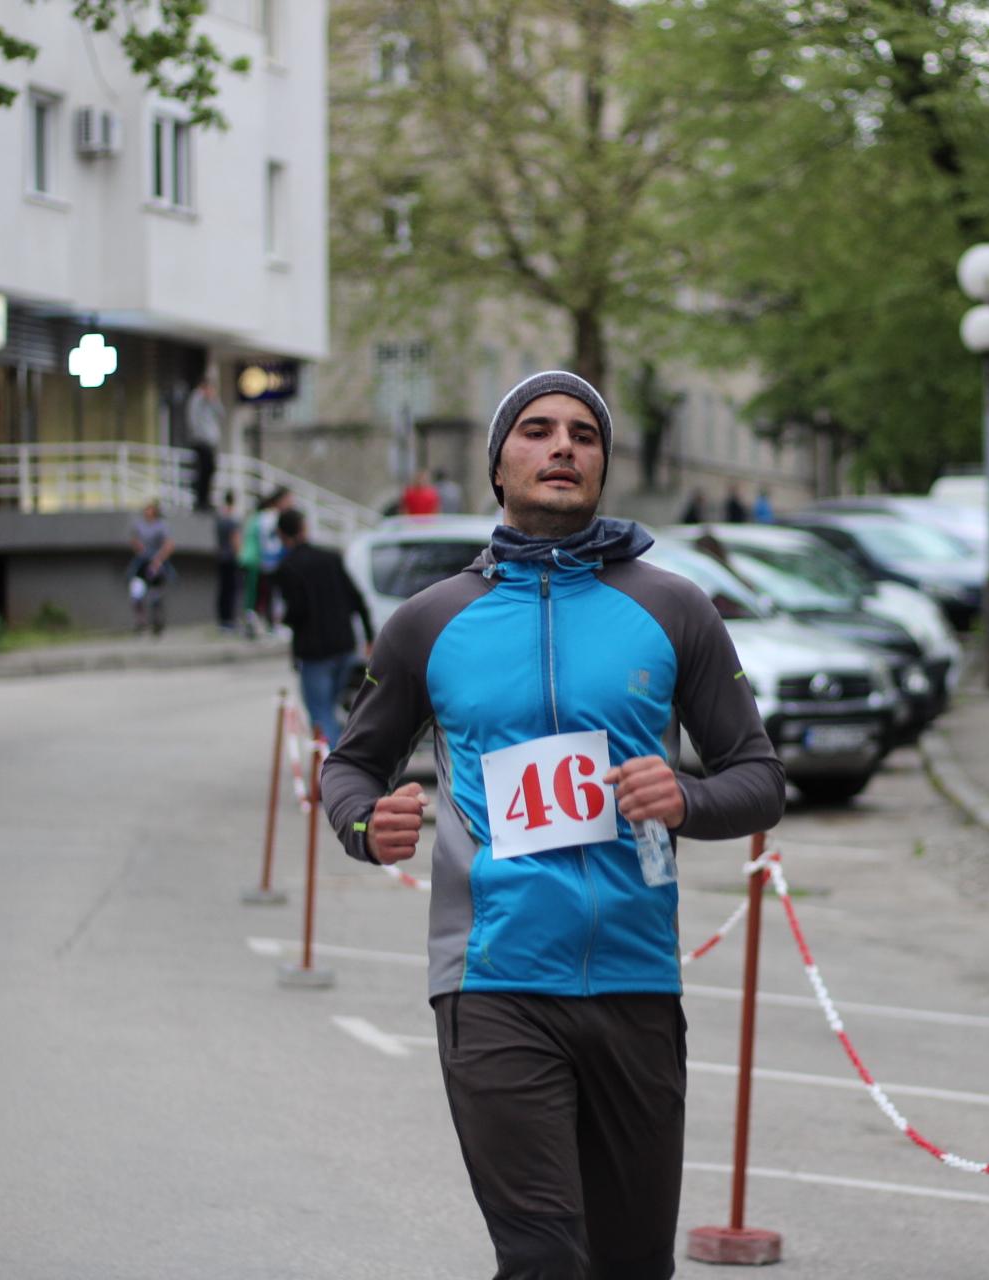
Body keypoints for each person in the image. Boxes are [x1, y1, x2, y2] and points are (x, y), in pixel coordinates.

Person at [322, 371, 784, 1278]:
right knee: (542, 1260)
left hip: (637, 983)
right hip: (493, 977)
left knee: (629, 1265)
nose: (562, 446)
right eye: (536, 431)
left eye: (583, 433)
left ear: (605, 464)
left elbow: (760, 779)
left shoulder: (674, 607)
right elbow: (350, 765)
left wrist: (684, 798)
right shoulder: (430, 621)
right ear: (498, 466)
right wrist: (362, 826)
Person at [275, 507, 374, 744]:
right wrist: (369, 636)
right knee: (334, 710)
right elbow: (357, 599)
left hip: (314, 652)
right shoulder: (331, 558)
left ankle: (332, 772)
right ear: (304, 528)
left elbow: (296, 610)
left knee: (320, 714)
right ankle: (344, 764)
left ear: (281, 535)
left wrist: (284, 619)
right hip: (344, 646)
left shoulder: (288, 567)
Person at [242, 487, 293, 638]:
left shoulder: (259, 517)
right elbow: (271, 542)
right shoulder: (270, 517)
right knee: (269, 595)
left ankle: (263, 624)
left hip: (261, 560)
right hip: (267, 561)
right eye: (289, 500)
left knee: (260, 595)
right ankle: (273, 625)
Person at [127, 500, 176, 637]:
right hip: (142, 562)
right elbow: (134, 540)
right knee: (136, 592)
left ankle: (157, 622)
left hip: (156, 562)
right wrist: (138, 547)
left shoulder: (161, 526)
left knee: (156, 594)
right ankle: (140, 621)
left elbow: (169, 544)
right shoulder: (139, 525)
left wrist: (158, 559)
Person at [187, 374, 223, 513]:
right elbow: (193, 419)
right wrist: (199, 437)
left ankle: (206, 499)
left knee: (210, 470)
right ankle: (200, 500)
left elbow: (221, 414)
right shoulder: (196, 399)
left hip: (210, 441)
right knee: (203, 470)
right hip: (201, 441)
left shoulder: (211, 401)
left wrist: (213, 400)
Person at [214, 491, 242, 634]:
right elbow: (235, 539)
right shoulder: (232, 520)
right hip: (231, 558)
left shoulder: (220, 518)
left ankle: (222, 620)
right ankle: (229, 620)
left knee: (222, 589)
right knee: (231, 590)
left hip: (221, 556)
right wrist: (239, 554)